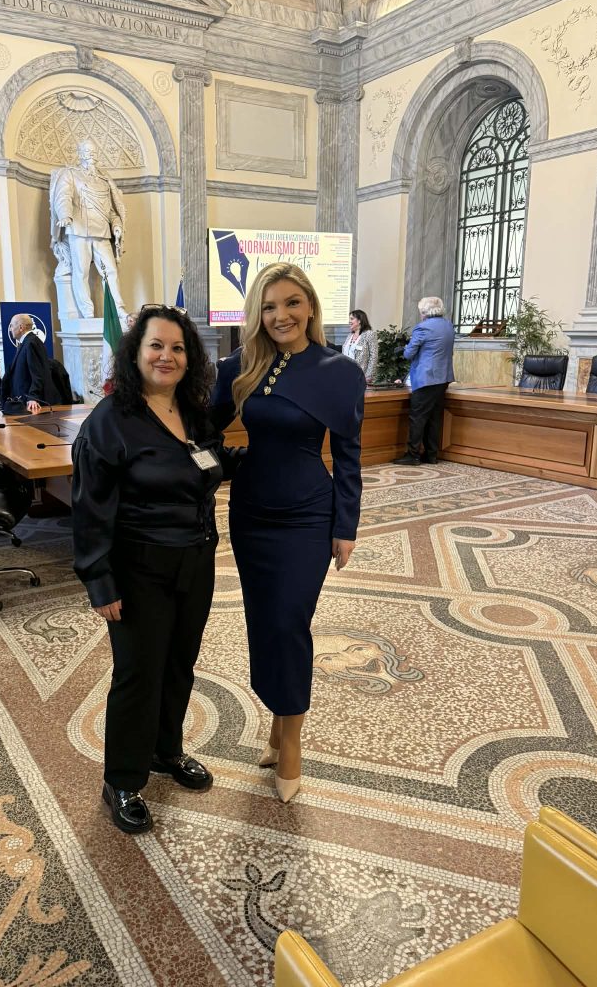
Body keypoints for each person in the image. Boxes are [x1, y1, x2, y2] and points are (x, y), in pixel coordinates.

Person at [72, 305, 236, 834]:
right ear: (135, 354)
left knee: (179, 664)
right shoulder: (111, 420)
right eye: (156, 346)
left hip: (196, 561)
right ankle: (122, 779)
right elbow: (91, 509)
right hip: (138, 569)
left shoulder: (194, 412)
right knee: (139, 674)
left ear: (190, 359)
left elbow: (211, 462)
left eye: (178, 348)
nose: (167, 356)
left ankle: (167, 750)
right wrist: (100, 581)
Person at [211, 263, 365, 804]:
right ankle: (278, 723)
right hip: (252, 513)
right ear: (257, 313)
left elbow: (348, 456)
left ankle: (291, 737)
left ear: (311, 307)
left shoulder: (339, 371)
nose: (281, 315)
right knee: (263, 622)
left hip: (308, 515)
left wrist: (346, 525)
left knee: (289, 622)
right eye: (270, 306)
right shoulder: (238, 365)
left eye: (292, 302)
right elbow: (202, 431)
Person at [50, 140, 127, 320]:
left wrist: (116, 225)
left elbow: (110, 210)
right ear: (80, 154)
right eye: (86, 151)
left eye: (93, 152)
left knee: (111, 271)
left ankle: (118, 308)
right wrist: (65, 215)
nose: (90, 155)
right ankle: (87, 312)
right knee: (81, 272)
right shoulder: (70, 174)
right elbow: (63, 196)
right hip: (78, 229)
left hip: (102, 231)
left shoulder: (104, 180)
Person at [393, 296, 455, 466]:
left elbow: (408, 354)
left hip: (426, 377)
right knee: (434, 417)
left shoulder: (423, 327)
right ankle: (431, 454)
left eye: (421, 311)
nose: (420, 314)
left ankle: (412, 455)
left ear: (425, 312)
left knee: (418, 417)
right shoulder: (448, 326)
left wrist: (404, 348)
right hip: (443, 377)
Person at [1, 313, 60, 414]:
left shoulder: (31, 343)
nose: (10, 329)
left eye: (12, 325)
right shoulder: (26, 342)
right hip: (23, 402)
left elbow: (38, 373)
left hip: (31, 404)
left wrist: (33, 397)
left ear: (21, 327)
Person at [342, 309, 378, 383]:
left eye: (352, 319)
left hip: (361, 376)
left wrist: (368, 376)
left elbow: (374, 356)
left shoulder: (369, 334)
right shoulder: (350, 335)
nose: (349, 321)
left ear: (359, 321)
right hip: (346, 374)